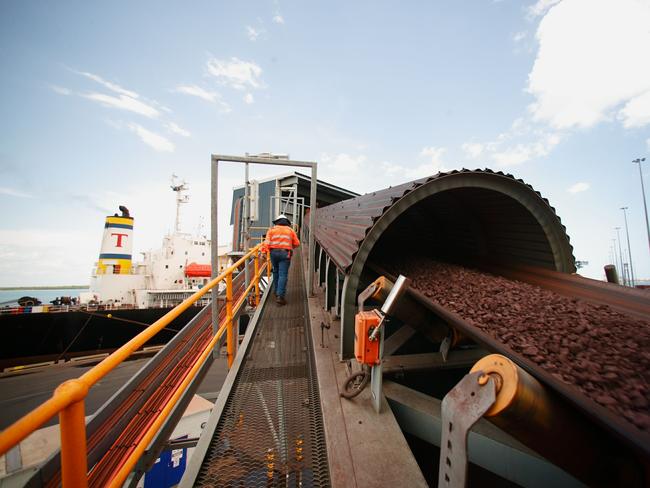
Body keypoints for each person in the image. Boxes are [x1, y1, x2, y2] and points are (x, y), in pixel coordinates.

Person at [262, 214, 300, 305]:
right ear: (286, 222)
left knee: (276, 271)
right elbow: (297, 243)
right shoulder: (290, 231)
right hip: (285, 253)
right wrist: (290, 247)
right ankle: (280, 296)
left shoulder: (271, 230)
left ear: (277, 222)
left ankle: (276, 290)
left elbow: (266, 242)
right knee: (283, 274)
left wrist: (263, 252)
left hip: (273, 253)